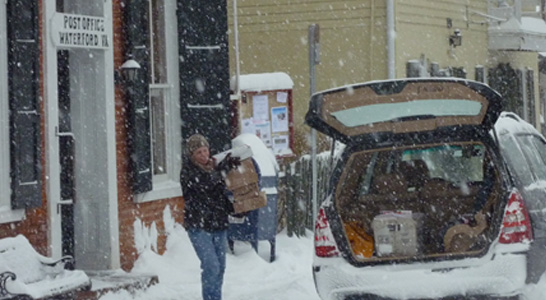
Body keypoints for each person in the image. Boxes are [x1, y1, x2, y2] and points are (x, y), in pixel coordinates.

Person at [180, 133, 240, 300]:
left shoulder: (214, 169)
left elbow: (219, 197)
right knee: (211, 266)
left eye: (205, 150)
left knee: (220, 267)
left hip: (218, 225)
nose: (204, 155)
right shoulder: (188, 172)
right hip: (199, 227)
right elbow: (204, 186)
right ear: (192, 155)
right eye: (199, 152)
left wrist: (236, 208)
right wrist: (222, 170)